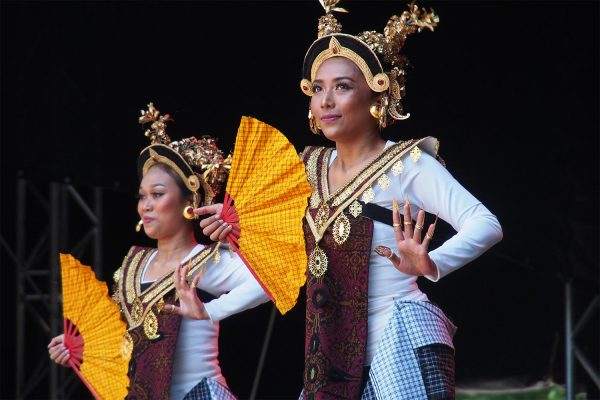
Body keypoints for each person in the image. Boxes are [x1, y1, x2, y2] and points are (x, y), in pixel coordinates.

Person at [293, 2, 503, 399]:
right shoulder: (308, 168)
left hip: (399, 340)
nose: (326, 101)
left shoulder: (407, 164)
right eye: (318, 88)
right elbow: (274, 243)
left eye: (342, 86)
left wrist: (432, 262)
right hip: (330, 355)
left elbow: (485, 223)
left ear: (377, 94)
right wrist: (232, 229)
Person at [48, 103, 269, 400]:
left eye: (158, 195)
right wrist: (84, 347)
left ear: (188, 201)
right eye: (142, 196)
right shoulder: (134, 263)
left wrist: (211, 311)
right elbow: (125, 339)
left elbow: (267, 282)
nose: (146, 205)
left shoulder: (206, 260)